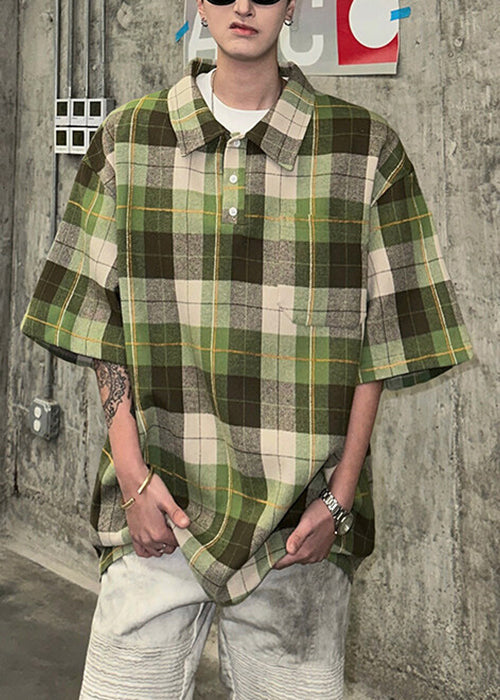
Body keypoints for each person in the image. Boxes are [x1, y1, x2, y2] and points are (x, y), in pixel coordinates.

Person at [21, 0, 473, 697]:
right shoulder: (129, 139)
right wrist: (134, 479)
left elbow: (384, 339)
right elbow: (99, 321)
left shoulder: (363, 149)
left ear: (292, 5)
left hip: (298, 530)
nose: (243, 4)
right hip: (159, 509)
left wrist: (339, 501)